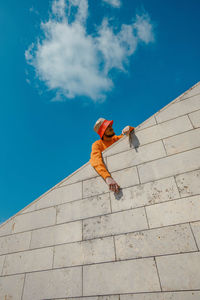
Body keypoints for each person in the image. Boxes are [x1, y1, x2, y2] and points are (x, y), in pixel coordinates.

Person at [90, 118, 134, 193]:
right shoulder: (97, 144)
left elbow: (130, 135)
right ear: (103, 132)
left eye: (110, 125)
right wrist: (107, 177)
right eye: (108, 127)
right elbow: (95, 161)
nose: (111, 128)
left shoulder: (116, 139)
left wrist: (129, 129)